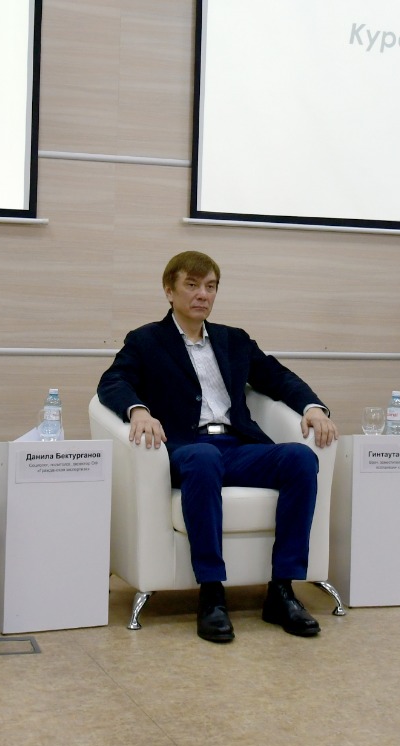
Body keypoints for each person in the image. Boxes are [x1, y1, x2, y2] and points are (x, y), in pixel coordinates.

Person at [97, 250, 339, 643]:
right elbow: (113, 382)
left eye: (210, 287)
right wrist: (138, 410)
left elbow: (278, 377)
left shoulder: (234, 340)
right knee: (204, 457)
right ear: (169, 290)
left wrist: (312, 407)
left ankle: (281, 590)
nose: (202, 295)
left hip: (238, 446)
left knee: (300, 457)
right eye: (192, 285)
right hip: (187, 448)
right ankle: (211, 593)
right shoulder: (146, 340)